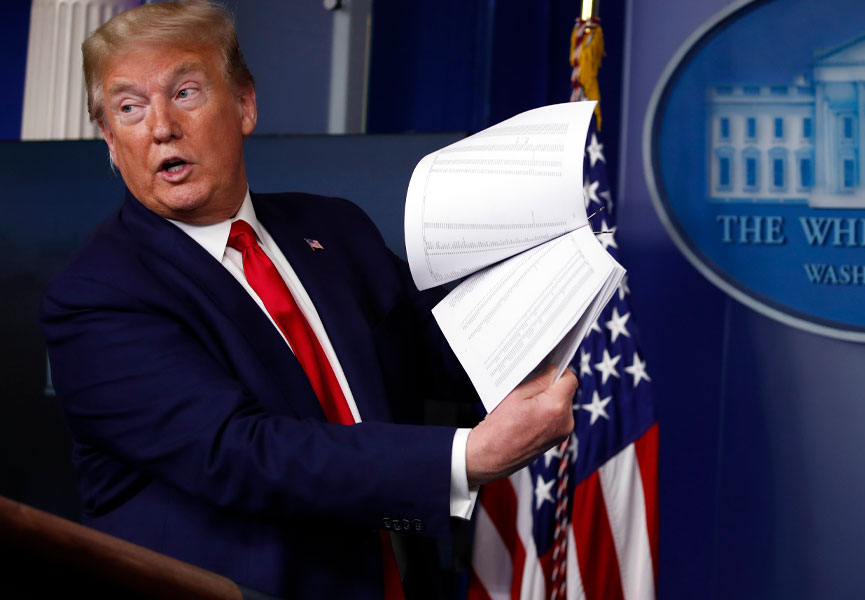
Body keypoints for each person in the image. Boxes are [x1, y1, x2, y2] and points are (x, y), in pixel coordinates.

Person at [40, 1, 577, 598]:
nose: (161, 126)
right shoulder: (95, 297)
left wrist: (556, 289)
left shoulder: (335, 230)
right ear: (111, 141)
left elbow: (449, 354)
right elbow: (239, 454)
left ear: (244, 104)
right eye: (129, 108)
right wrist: (464, 458)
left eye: (185, 92)